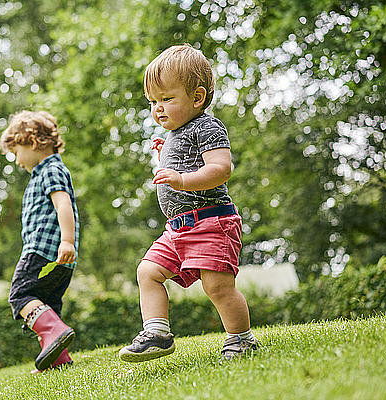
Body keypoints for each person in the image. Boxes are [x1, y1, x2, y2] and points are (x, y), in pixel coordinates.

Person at [119, 44, 258, 363]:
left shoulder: (208, 127)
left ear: (197, 98)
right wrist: (165, 151)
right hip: (177, 229)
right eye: (153, 101)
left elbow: (221, 169)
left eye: (167, 99)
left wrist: (182, 178)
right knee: (147, 272)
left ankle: (241, 339)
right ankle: (157, 333)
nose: (158, 108)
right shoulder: (173, 135)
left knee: (218, 287)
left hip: (212, 222)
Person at [0, 110, 80, 373]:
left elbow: (63, 203)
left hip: (44, 251)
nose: (17, 160)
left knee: (20, 295)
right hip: (57, 257)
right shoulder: (44, 173)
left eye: (17, 151)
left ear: (33, 142)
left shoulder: (50, 169)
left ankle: (55, 332)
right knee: (49, 303)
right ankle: (58, 358)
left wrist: (67, 240)